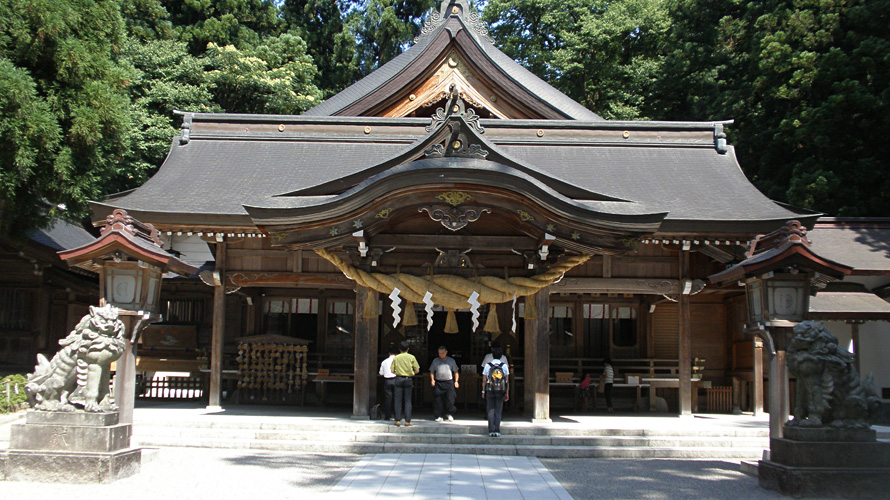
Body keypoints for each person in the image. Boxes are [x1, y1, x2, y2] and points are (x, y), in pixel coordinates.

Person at [391, 340, 420, 426]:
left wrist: (399, 371)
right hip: (408, 379)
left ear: (400, 349)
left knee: (398, 400)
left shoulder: (396, 357)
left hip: (399, 378)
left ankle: (397, 420)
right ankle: (407, 421)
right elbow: (417, 370)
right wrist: (411, 373)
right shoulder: (412, 357)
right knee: (408, 400)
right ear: (408, 349)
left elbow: (392, 370)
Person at [482, 347, 509, 437]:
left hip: (490, 389)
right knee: (498, 410)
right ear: (501, 356)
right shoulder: (504, 366)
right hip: (500, 390)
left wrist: (483, 391)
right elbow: (506, 381)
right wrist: (507, 392)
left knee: (490, 410)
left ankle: (491, 430)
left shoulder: (488, 365)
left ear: (492, 355)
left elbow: (484, 379)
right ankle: (497, 430)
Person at [429, 345, 460, 422]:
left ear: (446, 352)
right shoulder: (435, 361)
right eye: (439, 353)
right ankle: (438, 415)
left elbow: (456, 371)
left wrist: (456, 381)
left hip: (449, 382)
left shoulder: (451, 361)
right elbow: (432, 371)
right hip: (439, 381)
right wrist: (432, 380)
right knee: (438, 400)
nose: (441, 355)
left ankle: (449, 414)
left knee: (450, 399)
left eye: (443, 353)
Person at [378, 345, 398, 420]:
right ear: (396, 353)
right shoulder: (398, 360)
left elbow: (381, 373)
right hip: (396, 379)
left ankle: (387, 416)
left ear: (389, 353)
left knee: (388, 398)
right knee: (397, 398)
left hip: (387, 380)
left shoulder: (384, 362)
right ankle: (397, 415)